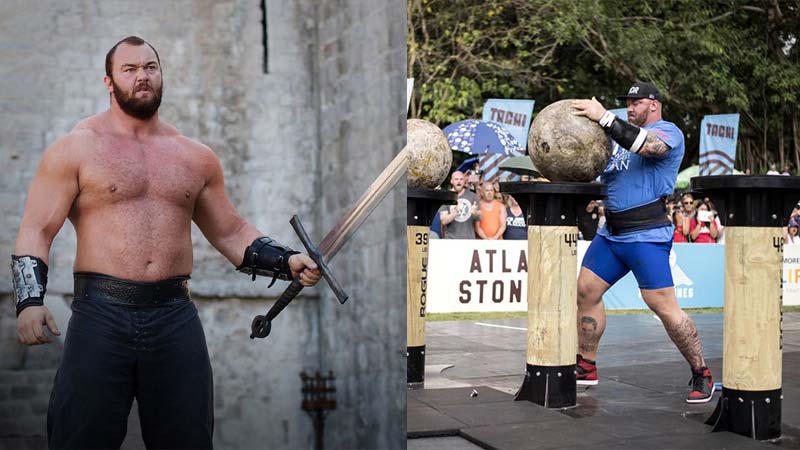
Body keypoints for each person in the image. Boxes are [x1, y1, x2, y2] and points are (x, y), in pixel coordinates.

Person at [12, 36, 322, 449]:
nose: (142, 76)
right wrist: (29, 301)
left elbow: (230, 232)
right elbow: (37, 229)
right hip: (101, 315)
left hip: (174, 317)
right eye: (130, 69)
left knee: (188, 440)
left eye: (150, 67)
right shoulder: (76, 148)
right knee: (79, 438)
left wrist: (288, 261)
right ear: (109, 82)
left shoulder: (194, 157)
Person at [571, 81, 714, 403]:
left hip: (646, 234)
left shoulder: (669, 132)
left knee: (663, 306)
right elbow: (594, 171)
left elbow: (651, 148)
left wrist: (605, 117)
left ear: (653, 104)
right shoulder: (617, 141)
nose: (630, 107)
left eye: (635, 102)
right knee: (585, 291)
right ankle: (586, 365)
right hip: (611, 233)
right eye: (627, 103)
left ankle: (701, 372)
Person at [439, 171, 480, 239]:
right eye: (456, 179)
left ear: (464, 181)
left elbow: (479, 218)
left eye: (461, 179)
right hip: (451, 240)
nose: (459, 181)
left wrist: (475, 213)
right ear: (451, 181)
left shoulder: (473, 196)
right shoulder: (446, 197)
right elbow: (443, 221)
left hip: (469, 240)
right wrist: (455, 212)